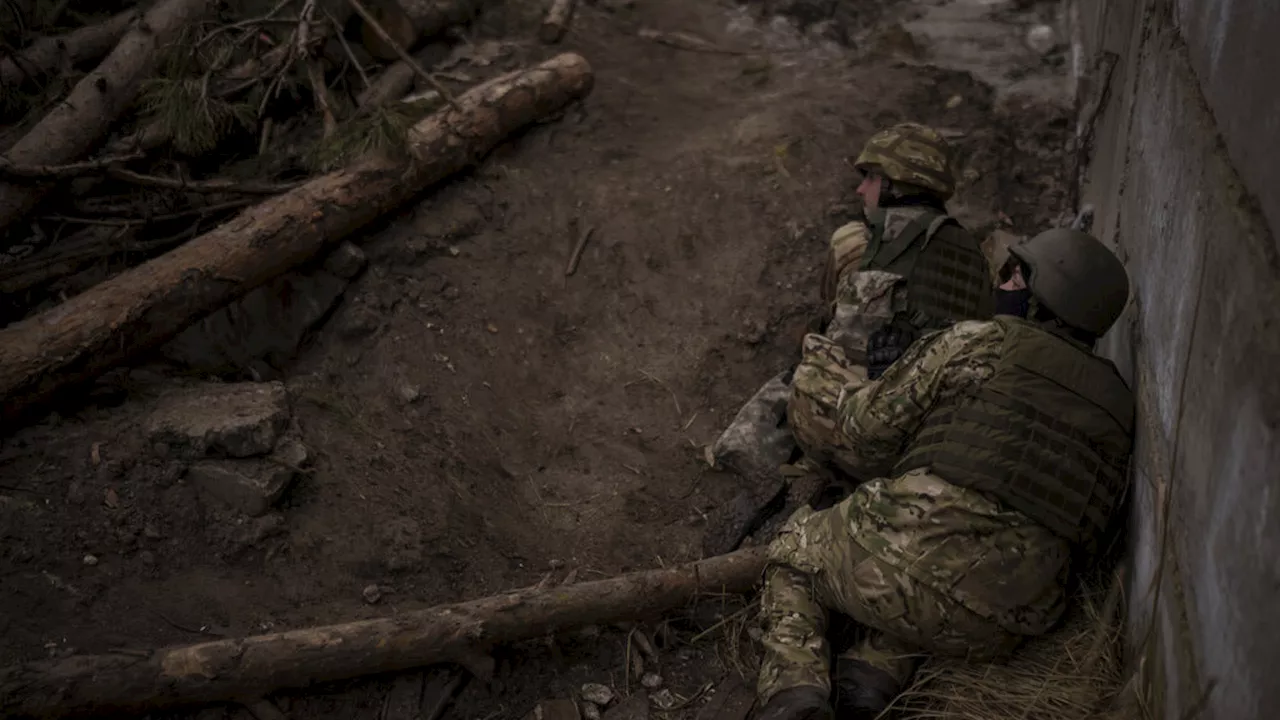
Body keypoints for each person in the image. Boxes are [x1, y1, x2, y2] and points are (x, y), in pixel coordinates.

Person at [754, 228, 1136, 720]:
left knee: (794, 553)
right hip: (1011, 622)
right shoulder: (1119, 407)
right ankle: (871, 675)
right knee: (944, 577)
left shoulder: (979, 343)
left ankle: (794, 693)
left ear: (1043, 295)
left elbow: (864, 429)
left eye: (1016, 274)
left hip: (905, 569)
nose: (1007, 281)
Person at [708, 123, 995, 526]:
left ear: (897, 184)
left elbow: (847, 355)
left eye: (871, 178)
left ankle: (751, 461)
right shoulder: (970, 254)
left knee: (809, 371)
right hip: (949, 444)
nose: (861, 190)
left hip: (892, 447)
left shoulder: (880, 247)